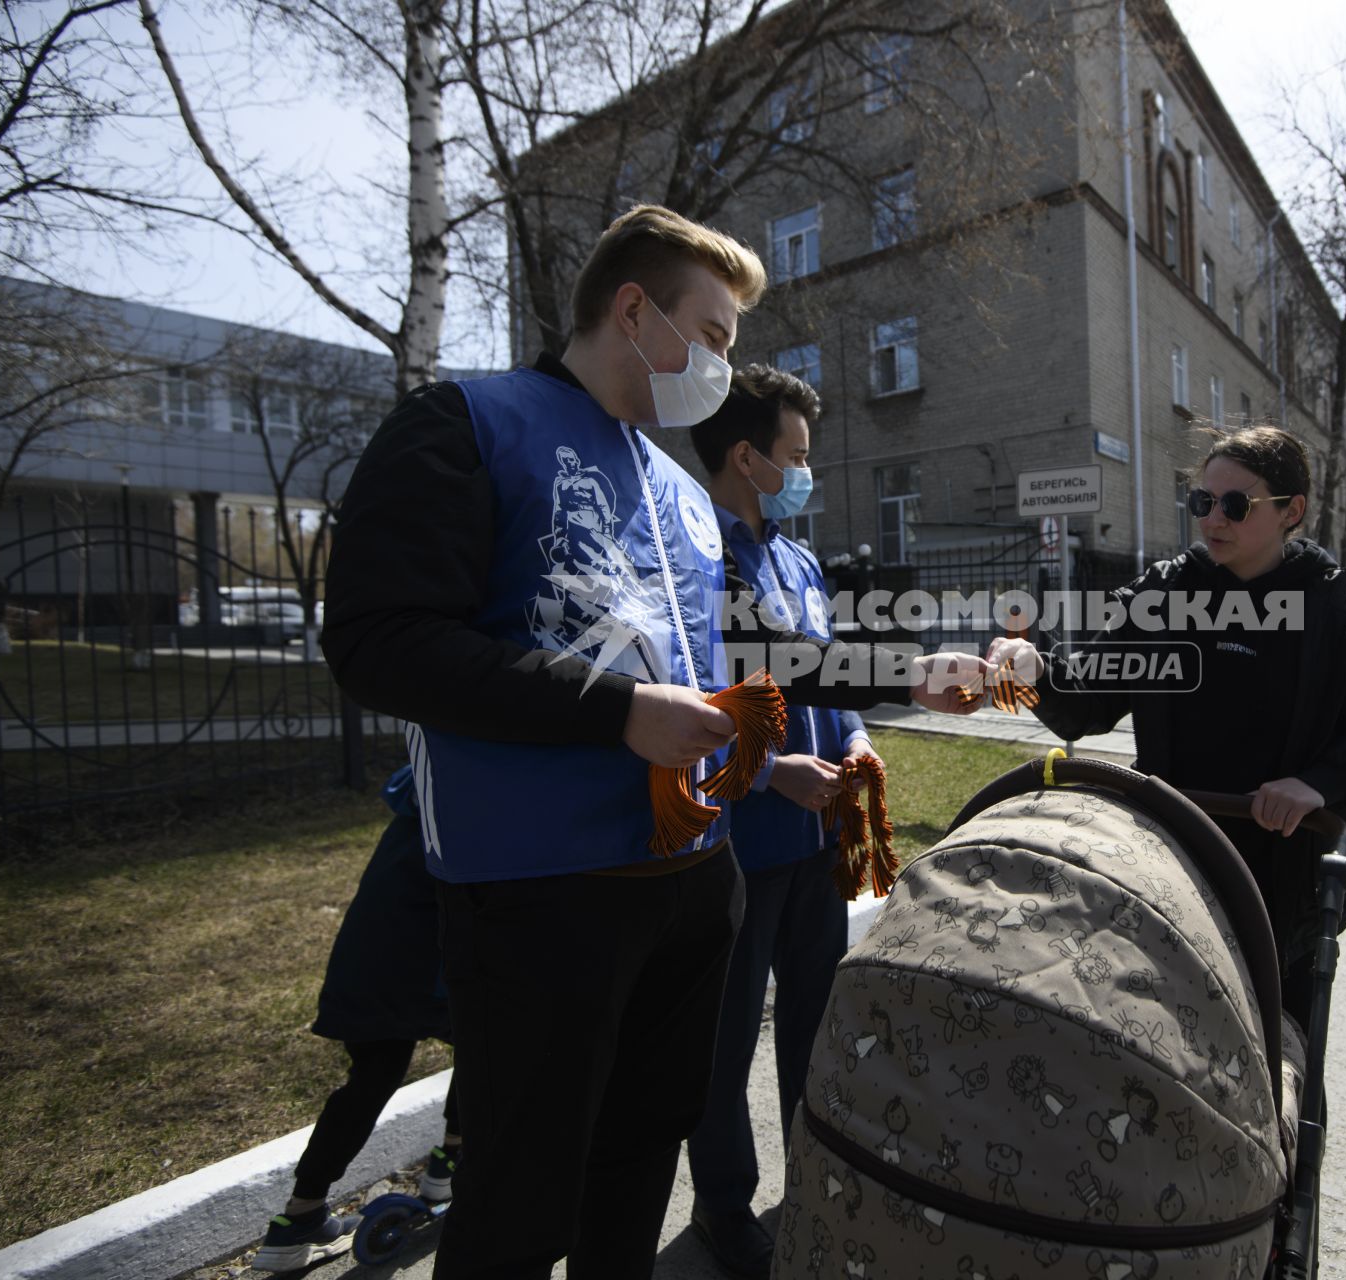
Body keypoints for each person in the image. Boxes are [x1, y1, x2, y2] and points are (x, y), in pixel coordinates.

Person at [320, 203, 984, 1280]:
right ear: (635, 312)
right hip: (537, 892)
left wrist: (908, 673)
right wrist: (616, 711)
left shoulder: (678, 490)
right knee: (518, 1199)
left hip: (690, 883)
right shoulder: (465, 423)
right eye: (715, 334)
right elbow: (379, 641)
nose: (725, 364)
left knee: (632, 1174)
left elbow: (754, 654)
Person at [987, 424, 1346, 1022]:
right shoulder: (1167, 593)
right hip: (1169, 872)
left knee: (1277, 1067)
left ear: (1291, 510)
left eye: (1235, 504)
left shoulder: (1338, 608)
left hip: (1282, 891)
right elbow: (1088, 698)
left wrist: (1317, 783)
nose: (1212, 519)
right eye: (1202, 502)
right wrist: (1036, 668)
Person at [682, 366, 878, 1278]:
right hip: (738, 844)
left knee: (814, 1019)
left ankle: (817, 1171)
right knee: (723, 1042)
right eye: (795, 456)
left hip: (817, 842)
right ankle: (723, 1205)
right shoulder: (689, 558)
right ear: (745, 456)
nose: (807, 471)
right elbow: (681, 706)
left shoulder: (796, 560)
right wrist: (768, 777)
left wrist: (862, 739)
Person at [252, 765, 458, 1273]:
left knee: (369, 1078)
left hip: (366, 962)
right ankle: (451, 1163)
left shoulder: (418, 793)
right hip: (427, 965)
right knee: (489, 1043)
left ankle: (299, 1216)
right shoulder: (472, 810)